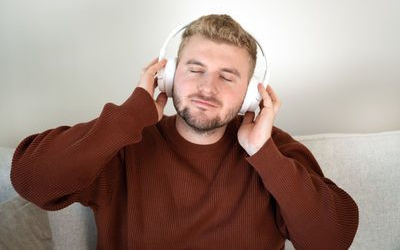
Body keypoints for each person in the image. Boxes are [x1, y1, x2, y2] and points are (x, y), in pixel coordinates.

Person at [10, 14, 359, 249]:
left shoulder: (273, 150)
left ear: (252, 94)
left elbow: (333, 239)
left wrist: (263, 153)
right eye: (195, 69)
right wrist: (132, 115)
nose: (207, 88)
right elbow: (30, 180)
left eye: (227, 76)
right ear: (167, 75)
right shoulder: (124, 143)